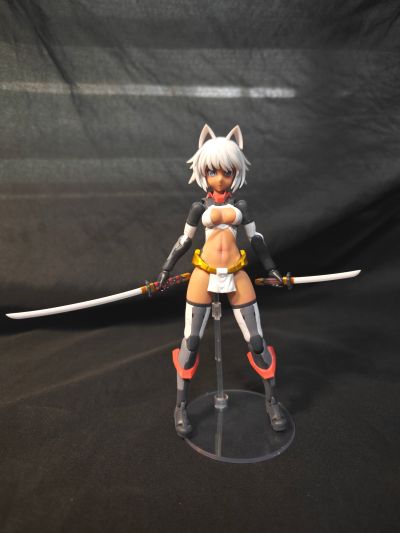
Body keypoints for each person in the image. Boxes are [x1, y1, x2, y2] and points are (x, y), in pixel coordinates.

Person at [158, 124, 288, 437]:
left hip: (235, 271)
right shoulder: (199, 207)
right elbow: (184, 240)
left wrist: (271, 268)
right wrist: (165, 269)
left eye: (226, 172)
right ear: (203, 172)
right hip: (204, 273)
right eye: (213, 171)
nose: (219, 178)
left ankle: (272, 401)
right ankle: (180, 406)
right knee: (191, 341)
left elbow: (256, 239)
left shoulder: (240, 206)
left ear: (236, 173)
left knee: (257, 341)